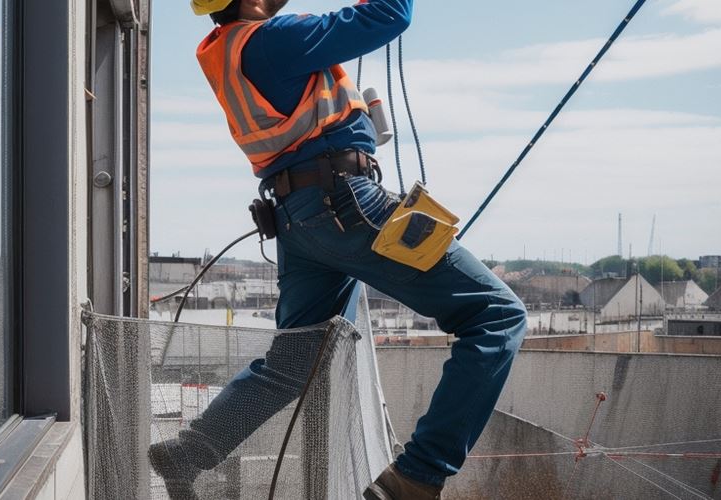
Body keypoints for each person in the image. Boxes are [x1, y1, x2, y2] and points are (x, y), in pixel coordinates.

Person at [148, 1, 527, 498]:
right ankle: (417, 476)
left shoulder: (230, 51)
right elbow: (390, 15)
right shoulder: (270, 40)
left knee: (292, 365)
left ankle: (188, 453)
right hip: (342, 203)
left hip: (299, 220)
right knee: (496, 315)